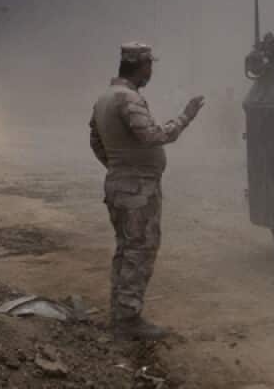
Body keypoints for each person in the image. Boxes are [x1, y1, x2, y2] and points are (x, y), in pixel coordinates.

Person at [89, 42, 204, 341]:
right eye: (149, 65)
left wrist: (116, 166)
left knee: (126, 250)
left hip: (119, 184)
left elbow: (96, 141)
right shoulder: (128, 99)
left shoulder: (104, 98)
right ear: (140, 66)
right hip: (137, 189)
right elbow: (153, 136)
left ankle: (120, 312)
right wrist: (186, 116)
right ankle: (128, 319)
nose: (151, 70)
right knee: (139, 251)